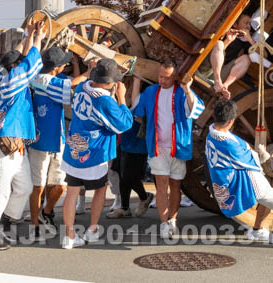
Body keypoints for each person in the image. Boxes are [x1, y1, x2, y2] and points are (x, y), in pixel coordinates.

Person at [0, 21, 49, 251]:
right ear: (16, 66)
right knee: (2, 188)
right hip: (6, 140)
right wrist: (38, 37)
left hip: (15, 141)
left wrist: (30, 35)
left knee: (25, 187)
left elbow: (25, 59)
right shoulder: (13, 80)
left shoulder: (1, 74)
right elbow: (30, 62)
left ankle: (4, 220)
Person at [61, 59, 132, 249]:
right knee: (100, 189)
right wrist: (122, 98)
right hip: (94, 152)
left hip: (74, 147)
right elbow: (124, 124)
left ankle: (68, 235)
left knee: (72, 191)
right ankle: (92, 229)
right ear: (110, 83)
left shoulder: (83, 88)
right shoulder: (105, 100)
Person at [206, 99, 273, 245]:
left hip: (238, 181)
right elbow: (252, 161)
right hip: (250, 183)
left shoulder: (211, 135)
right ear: (231, 121)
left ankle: (257, 230)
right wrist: (261, 155)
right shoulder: (229, 145)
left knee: (266, 201)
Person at [132, 57, 204, 238]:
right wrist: (136, 82)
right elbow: (136, 108)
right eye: (160, 76)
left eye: (166, 77)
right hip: (157, 147)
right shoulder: (150, 91)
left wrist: (187, 89)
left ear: (175, 77)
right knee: (161, 186)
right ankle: (164, 224)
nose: (162, 80)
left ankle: (173, 219)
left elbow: (195, 109)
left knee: (176, 185)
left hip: (178, 147)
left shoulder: (181, 92)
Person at [29, 46, 80, 238]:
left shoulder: (54, 79)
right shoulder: (40, 79)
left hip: (58, 139)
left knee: (60, 184)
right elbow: (72, 84)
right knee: (38, 186)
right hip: (39, 141)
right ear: (55, 67)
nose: (65, 65)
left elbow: (72, 83)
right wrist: (90, 72)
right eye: (63, 63)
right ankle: (34, 224)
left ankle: (46, 211)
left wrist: (76, 65)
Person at [110, 76, 154, 219]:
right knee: (122, 174)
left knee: (129, 176)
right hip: (126, 140)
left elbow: (135, 110)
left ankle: (144, 196)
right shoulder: (131, 95)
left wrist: (136, 81)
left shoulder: (146, 96)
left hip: (137, 142)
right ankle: (124, 207)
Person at [208, 13, 255, 99]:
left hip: (222, 75)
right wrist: (228, 41)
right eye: (246, 23)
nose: (248, 26)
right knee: (219, 43)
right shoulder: (226, 31)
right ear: (235, 24)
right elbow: (217, 51)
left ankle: (224, 86)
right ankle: (218, 81)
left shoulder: (248, 41)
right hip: (207, 68)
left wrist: (249, 39)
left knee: (246, 59)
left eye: (250, 24)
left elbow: (264, 55)